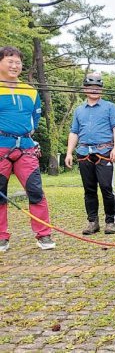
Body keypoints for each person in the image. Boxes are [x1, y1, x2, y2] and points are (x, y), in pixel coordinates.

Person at [0, 46, 55, 252]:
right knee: (0, 194)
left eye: (18, 62)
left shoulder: (30, 90)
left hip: (25, 147)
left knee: (35, 191)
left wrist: (27, 134)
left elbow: (35, 118)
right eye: (10, 61)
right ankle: (1, 237)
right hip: (0, 147)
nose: (15, 66)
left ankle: (44, 234)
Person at [65, 73, 115, 235]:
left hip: (104, 152)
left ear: (101, 90)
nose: (94, 90)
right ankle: (92, 222)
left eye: (97, 87)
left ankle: (110, 221)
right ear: (85, 89)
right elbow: (74, 132)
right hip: (84, 152)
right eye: (91, 87)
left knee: (106, 187)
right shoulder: (79, 110)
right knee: (89, 189)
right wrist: (69, 152)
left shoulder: (109, 107)